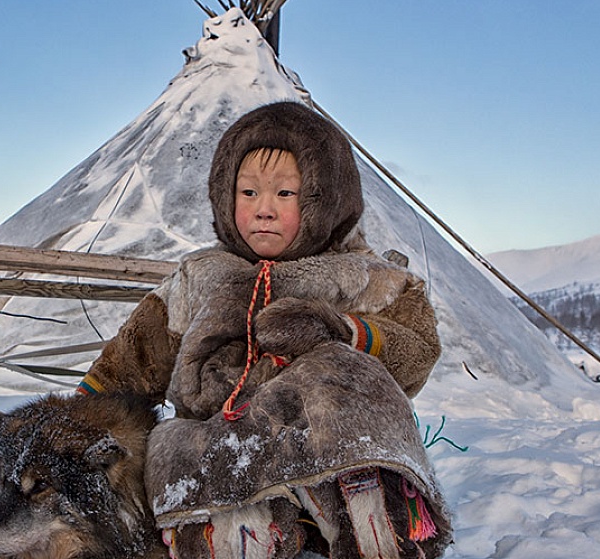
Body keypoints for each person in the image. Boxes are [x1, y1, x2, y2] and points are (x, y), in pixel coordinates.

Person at [78, 101, 452, 559]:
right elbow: (132, 361)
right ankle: (241, 539)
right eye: (248, 193)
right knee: (166, 444)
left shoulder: (368, 279)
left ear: (327, 197)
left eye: (286, 195)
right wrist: (68, 421)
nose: (264, 211)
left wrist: (342, 332)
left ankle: (373, 535)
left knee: (340, 372)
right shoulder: (200, 277)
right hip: (216, 445)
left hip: (326, 449)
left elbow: (417, 352)